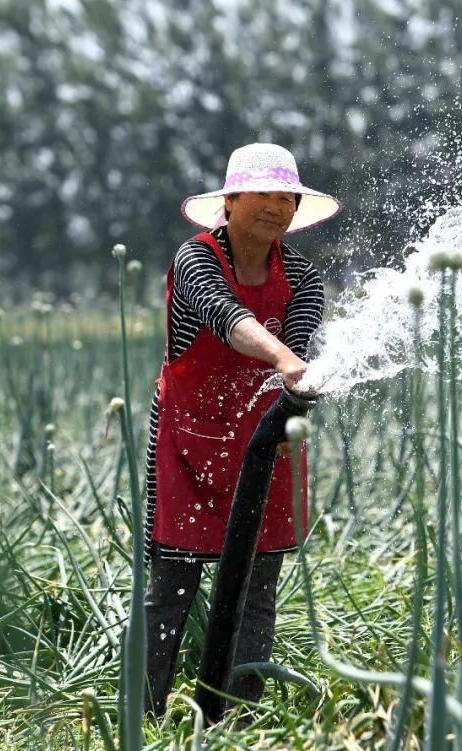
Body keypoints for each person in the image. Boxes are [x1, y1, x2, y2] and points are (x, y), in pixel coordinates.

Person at [142, 142, 341, 718]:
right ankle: (147, 713)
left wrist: (294, 401)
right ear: (229, 201)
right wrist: (282, 359)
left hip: (266, 440)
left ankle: (239, 714)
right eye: (263, 194)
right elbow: (229, 320)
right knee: (170, 589)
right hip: (188, 440)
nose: (276, 207)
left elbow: (299, 353)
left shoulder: (303, 276)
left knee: (258, 588)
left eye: (287, 198)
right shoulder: (195, 259)